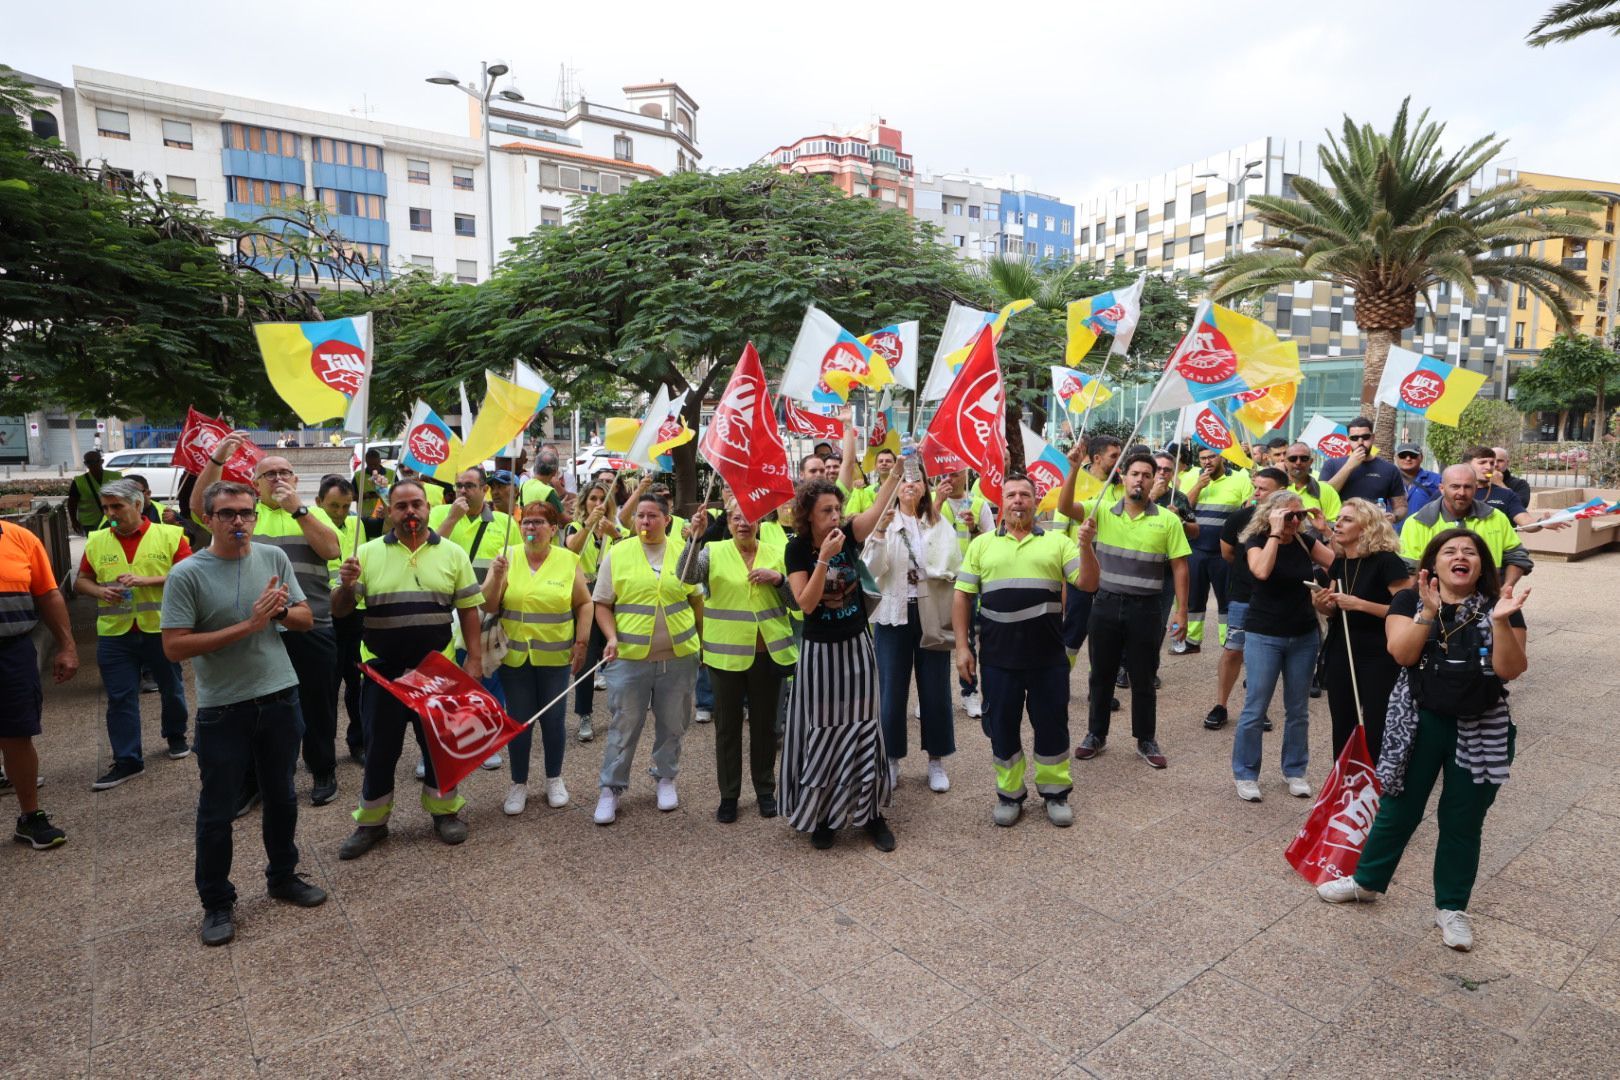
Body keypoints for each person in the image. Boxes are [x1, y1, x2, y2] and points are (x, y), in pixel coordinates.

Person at [1317, 529, 1530, 953]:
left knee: (1463, 820)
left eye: (1470, 551)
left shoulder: (1499, 607)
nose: (1460, 556)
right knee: (1398, 807)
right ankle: (1366, 881)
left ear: (1481, 566)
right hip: (1418, 720)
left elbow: (1510, 670)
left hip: (1481, 724)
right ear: (1434, 564)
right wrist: (1427, 613)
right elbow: (1402, 653)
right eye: (1450, 551)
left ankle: (1451, 907)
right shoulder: (1408, 601)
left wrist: (1501, 621)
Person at [160, 480, 326, 944]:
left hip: (279, 696)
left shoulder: (273, 558)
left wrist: (274, 616)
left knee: (283, 798)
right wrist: (247, 625)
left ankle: (283, 876)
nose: (239, 521)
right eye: (228, 513)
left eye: (247, 513)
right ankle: (216, 903)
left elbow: (306, 617)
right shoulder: (187, 574)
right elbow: (174, 648)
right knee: (216, 813)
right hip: (223, 708)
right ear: (208, 519)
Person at [332, 480, 484, 859]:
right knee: (381, 748)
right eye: (401, 506)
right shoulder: (364, 554)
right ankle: (372, 823)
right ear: (389, 510)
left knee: (438, 746)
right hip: (384, 672)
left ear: (430, 508)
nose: (410, 512)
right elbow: (340, 610)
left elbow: (468, 609)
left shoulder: (452, 554)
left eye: (417, 504)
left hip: (436, 669)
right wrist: (346, 586)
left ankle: (445, 812)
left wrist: (476, 660)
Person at [193, 437, 344, 808]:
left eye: (284, 473)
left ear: (295, 480)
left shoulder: (314, 512)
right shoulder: (242, 514)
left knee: (318, 704)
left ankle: (323, 769)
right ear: (255, 483)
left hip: (311, 622)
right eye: (268, 474)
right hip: (258, 627)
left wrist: (299, 510)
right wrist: (216, 458)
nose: (277, 479)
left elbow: (332, 550)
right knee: (256, 707)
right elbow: (200, 507)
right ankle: (257, 781)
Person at [782, 468, 901, 849]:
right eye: (826, 512)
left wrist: (896, 474)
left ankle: (871, 814)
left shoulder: (848, 534)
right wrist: (824, 561)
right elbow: (805, 604)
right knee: (825, 732)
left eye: (838, 509)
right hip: (820, 654)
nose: (835, 517)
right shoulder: (797, 548)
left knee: (866, 727)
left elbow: (878, 509)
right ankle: (825, 817)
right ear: (808, 517)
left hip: (856, 647)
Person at [954, 474, 1081, 827]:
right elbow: (963, 595)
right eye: (1011, 495)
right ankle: (1009, 795)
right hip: (998, 659)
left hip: (1048, 658)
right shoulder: (981, 545)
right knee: (1003, 728)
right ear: (1001, 502)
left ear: (1035, 501)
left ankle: (1055, 793)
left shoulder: (1057, 542)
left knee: (1052, 727)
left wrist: (1086, 547)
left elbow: (1087, 582)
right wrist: (962, 647)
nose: (1018, 501)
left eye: (1025, 494)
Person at [591, 491, 704, 824]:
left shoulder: (684, 554)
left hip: (679, 658)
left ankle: (666, 777)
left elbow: (696, 602)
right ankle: (610, 788)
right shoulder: (619, 553)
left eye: (653, 516)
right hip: (629, 658)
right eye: (640, 515)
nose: (645, 521)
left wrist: (703, 642)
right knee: (624, 725)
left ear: (667, 520)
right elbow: (602, 604)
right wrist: (611, 638)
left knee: (673, 724)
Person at [1072, 453, 1190, 769]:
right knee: (1101, 675)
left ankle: (1145, 739)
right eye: (1134, 473)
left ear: (1155, 481)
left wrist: (1182, 611)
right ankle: (1096, 734)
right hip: (1106, 604)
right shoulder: (1102, 512)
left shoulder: (1167, 519)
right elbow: (1063, 508)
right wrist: (1072, 469)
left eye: (1146, 475)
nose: (1140, 479)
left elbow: (1179, 566)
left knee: (1143, 677)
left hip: (1147, 609)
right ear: (1123, 477)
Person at [680, 506, 798, 822]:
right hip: (725, 655)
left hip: (768, 654)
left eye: (749, 517)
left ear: (759, 521)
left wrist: (778, 580)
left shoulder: (778, 551)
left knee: (765, 728)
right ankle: (729, 795)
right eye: (736, 518)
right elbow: (686, 576)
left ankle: (765, 791)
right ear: (729, 523)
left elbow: (797, 599)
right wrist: (693, 539)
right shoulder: (713, 550)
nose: (743, 523)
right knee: (727, 729)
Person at [75, 479, 192, 789]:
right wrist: (100, 590)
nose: (111, 514)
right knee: (120, 697)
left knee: (171, 686)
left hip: (161, 627)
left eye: (117, 506)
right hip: (116, 634)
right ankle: (128, 759)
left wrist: (146, 579)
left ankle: (176, 735)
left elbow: (190, 574)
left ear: (138, 505)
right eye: (106, 508)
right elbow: (81, 582)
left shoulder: (170, 534)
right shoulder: (98, 540)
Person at [482, 501, 591, 816]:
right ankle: (518, 783)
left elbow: (584, 604)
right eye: (526, 522)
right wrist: (495, 576)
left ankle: (554, 779)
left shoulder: (568, 560)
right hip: (515, 657)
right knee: (519, 722)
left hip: (555, 657)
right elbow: (489, 605)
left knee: (554, 720)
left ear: (553, 528)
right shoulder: (508, 557)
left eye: (538, 522)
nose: (531, 528)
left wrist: (581, 642)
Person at [1231, 491, 1334, 802]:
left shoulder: (1305, 541)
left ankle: (1295, 770)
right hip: (1265, 634)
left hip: (1303, 634)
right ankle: (1246, 773)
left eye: (1298, 515)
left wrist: (1325, 530)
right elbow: (1260, 571)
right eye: (1288, 515)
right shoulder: (1258, 540)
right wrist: (1276, 533)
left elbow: (1339, 565)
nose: (1295, 521)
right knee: (1255, 707)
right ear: (1271, 514)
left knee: (1298, 709)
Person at [863, 470, 960, 794]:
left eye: (917, 479)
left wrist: (929, 571)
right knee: (891, 693)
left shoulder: (938, 523)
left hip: (930, 613)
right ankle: (890, 760)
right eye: (904, 479)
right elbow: (872, 570)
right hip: (893, 614)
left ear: (925, 487)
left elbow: (953, 565)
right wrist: (878, 535)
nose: (910, 484)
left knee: (935, 691)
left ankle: (936, 761)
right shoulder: (885, 523)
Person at [427, 464, 514, 773]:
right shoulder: (439, 515)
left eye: (470, 485)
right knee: (445, 679)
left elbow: (512, 563)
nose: (463, 491)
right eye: (459, 485)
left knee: (487, 676)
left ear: (485, 490)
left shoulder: (504, 523)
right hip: (446, 610)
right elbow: (427, 549)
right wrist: (452, 517)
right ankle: (439, 746)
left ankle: (487, 742)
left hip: (487, 612)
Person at [1312, 498, 1410, 762]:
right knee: (1342, 723)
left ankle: (1378, 784)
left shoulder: (1387, 561)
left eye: (1347, 519)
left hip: (1378, 653)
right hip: (1341, 648)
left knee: (1377, 724)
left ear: (1367, 527)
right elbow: (1335, 610)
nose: (1338, 523)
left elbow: (1407, 611)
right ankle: (1345, 784)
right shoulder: (1339, 562)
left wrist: (1360, 605)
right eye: (1338, 518)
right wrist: (1323, 605)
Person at [1, 518, 79, 849]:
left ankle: (30, 818)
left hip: (11, 651)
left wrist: (68, 646)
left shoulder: (20, 537)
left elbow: (47, 594)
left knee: (18, 734)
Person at [1204, 468, 1285, 730]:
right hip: (1242, 595)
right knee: (1232, 651)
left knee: (1265, 655)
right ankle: (1220, 705)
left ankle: (1257, 708)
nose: (1256, 493)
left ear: (1281, 493)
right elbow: (1227, 553)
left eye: (1264, 489)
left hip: (1275, 599)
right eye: (1255, 487)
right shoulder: (1239, 518)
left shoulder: (1292, 523)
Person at [1400, 465, 1534, 588]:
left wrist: (1506, 588)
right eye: (1455, 486)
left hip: (1489, 597)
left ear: (1475, 488)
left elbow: (1517, 557)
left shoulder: (1496, 517)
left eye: (1467, 487)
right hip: (1436, 599)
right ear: (1441, 488)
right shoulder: (1418, 522)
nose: (1462, 493)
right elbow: (1409, 570)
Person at [1176, 444, 1253, 654]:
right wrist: (1198, 486)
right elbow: (1182, 510)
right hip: (1195, 549)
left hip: (1224, 551)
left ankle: (1228, 641)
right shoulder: (1192, 478)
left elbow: (1248, 509)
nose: (1207, 462)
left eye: (1212, 457)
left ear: (1222, 457)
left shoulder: (1241, 478)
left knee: (1226, 599)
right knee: (1193, 598)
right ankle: (1191, 641)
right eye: (1202, 458)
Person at [1055, 435, 1123, 666]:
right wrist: (1062, 577)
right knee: (1075, 628)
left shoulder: (1121, 487)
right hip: (1078, 571)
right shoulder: (1075, 485)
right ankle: (1061, 676)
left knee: (1105, 631)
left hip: (1111, 570)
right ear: (1096, 458)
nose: (1119, 460)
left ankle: (1100, 688)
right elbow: (1058, 530)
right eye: (1114, 456)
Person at [565, 479, 623, 742]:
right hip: (586, 599)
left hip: (612, 599)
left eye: (602, 500)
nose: (598, 504)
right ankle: (585, 715)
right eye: (593, 499)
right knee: (586, 660)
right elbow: (571, 550)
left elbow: (629, 556)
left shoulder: (615, 528)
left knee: (616, 657)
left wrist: (616, 535)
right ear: (584, 503)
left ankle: (620, 712)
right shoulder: (576, 526)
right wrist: (589, 526)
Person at [315, 476, 365, 763]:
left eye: (346, 506)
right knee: (326, 689)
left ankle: (358, 742)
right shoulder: (311, 525)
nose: (340, 512)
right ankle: (323, 752)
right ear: (319, 502)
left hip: (355, 615)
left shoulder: (356, 525)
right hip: (324, 617)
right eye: (334, 505)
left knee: (357, 685)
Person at [1320, 416, 1408, 520]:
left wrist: (1394, 516)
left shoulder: (1389, 469)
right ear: (1347, 440)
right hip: (1341, 528)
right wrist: (1349, 466)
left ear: (1373, 438)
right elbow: (1323, 498)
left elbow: (1401, 506)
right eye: (1354, 438)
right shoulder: (1331, 465)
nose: (1360, 442)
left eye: (1365, 437)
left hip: (1375, 529)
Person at [67, 449, 122, 536]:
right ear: (85, 464)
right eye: (89, 462)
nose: (92, 464)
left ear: (101, 461)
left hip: (113, 519)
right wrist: (73, 521)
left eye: (95, 461)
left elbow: (126, 498)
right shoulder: (79, 481)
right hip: (90, 523)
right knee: (95, 543)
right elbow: (71, 503)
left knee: (115, 538)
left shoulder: (116, 477)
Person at [1281, 442, 1342, 520]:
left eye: (1304, 459)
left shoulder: (1326, 490)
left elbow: (1335, 523)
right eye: (1293, 459)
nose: (1298, 462)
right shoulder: (1276, 488)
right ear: (1285, 462)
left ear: (1311, 461)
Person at [1394, 444, 1442, 521]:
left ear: (1421, 458)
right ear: (1396, 458)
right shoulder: (1389, 479)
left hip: (1424, 529)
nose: (1408, 458)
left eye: (1413, 455)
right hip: (1392, 530)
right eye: (1403, 455)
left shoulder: (1436, 479)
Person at [353, 449, 391, 539]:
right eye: (370, 465)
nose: (373, 467)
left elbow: (398, 494)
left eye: (375, 464)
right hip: (366, 517)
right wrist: (365, 496)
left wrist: (383, 493)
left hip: (386, 516)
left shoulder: (391, 473)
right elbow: (351, 496)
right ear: (366, 462)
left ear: (380, 461)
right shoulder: (359, 475)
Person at [520, 450, 567, 516]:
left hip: (527, 524)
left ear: (535, 468)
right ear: (554, 472)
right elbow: (564, 519)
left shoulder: (524, 485)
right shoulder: (549, 491)